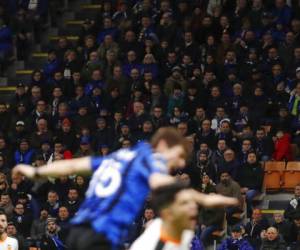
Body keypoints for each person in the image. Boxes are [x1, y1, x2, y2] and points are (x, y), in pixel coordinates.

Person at [13, 127, 238, 250]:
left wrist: (36, 172)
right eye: (179, 156)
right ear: (162, 146)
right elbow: (164, 185)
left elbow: (73, 165)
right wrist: (205, 199)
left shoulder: (117, 157)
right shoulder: (151, 159)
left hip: (77, 232)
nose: (179, 164)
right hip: (100, 235)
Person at [130, 182, 202, 250]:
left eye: (193, 202)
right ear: (168, 213)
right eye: (184, 203)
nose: (193, 207)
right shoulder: (150, 245)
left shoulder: (186, 235)